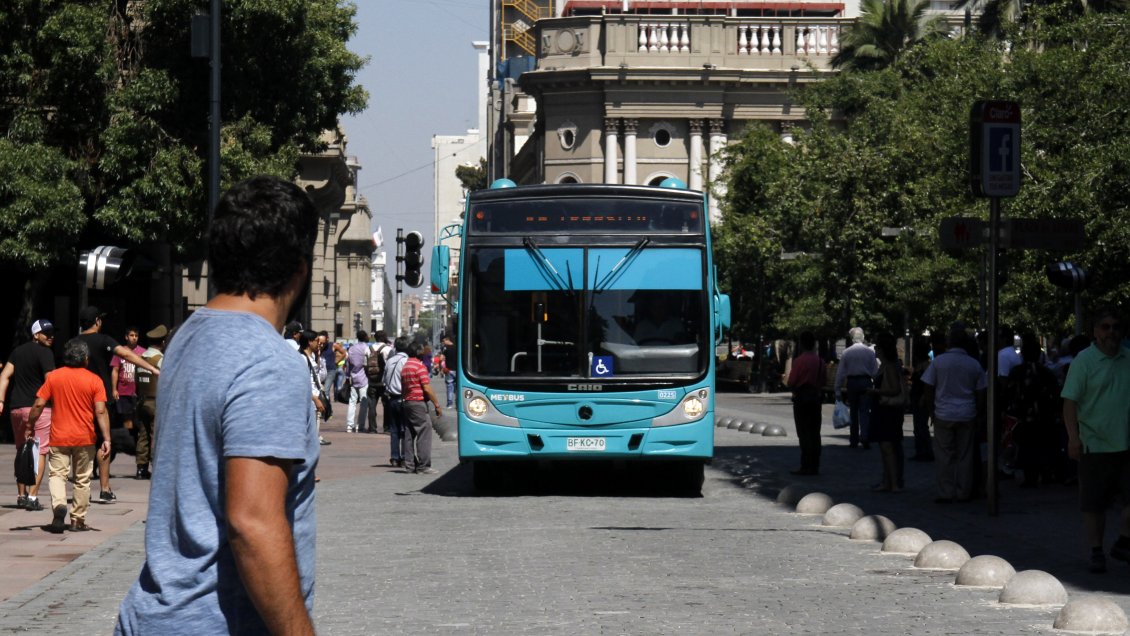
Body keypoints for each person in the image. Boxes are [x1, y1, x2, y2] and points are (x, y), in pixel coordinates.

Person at [116, 175, 319, 634]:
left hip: (155, 613)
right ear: (299, 269)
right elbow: (252, 522)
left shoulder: (190, 335)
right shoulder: (268, 362)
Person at [1061, 307, 1130, 574]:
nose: (1111, 332)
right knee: (1094, 505)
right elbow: (1070, 403)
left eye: (1115, 327)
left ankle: (1124, 541)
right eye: (1105, 327)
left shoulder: (1128, 358)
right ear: (1095, 332)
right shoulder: (1084, 361)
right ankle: (1096, 550)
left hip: (1127, 443)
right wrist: (1073, 438)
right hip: (1094, 444)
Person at [25, 338, 111, 532]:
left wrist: (30, 425)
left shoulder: (54, 377)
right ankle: (77, 520)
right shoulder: (94, 380)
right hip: (85, 438)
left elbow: (38, 404)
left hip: (59, 436)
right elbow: (100, 411)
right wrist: (107, 438)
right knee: (82, 478)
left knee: (57, 475)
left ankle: (59, 505)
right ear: (86, 359)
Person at [76, 306, 160, 503]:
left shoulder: (74, 342)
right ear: (97, 321)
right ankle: (105, 489)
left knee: (82, 443)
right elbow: (127, 355)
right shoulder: (104, 340)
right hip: (100, 399)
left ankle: (82, 487)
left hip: (79, 399)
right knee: (104, 442)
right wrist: (151, 368)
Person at [921, 330, 987, 504]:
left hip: (943, 412)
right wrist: (978, 411)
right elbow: (981, 391)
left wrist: (931, 410)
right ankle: (963, 491)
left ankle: (946, 492)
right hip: (967, 412)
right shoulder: (973, 364)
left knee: (944, 454)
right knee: (965, 455)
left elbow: (928, 387)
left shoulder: (939, 362)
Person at [0, 319, 56, 510]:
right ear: (36, 335)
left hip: (16, 408)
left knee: (21, 449)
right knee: (40, 451)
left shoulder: (17, 352)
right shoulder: (46, 353)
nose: (51, 337)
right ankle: (32, 497)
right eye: (46, 333)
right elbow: (51, 381)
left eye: (52, 333)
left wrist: (0, 400)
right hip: (39, 408)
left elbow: (5, 375)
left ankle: (21, 495)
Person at [1004, 332, 1062, 488]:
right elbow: (1055, 394)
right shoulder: (1046, 372)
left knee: (1026, 446)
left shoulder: (1017, 372)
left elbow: (1009, 392)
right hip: (1043, 415)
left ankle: (1031, 476)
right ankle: (1044, 473)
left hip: (1024, 416)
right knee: (1042, 445)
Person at [869, 333, 907, 492]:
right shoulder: (886, 365)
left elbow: (894, 389)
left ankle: (893, 483)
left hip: (888, 410)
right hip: (885, 410)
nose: (875, 349)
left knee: (888, 447)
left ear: (883, 349)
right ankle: (889, 480)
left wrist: (874, 391)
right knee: (889, 447)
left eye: (877, 347)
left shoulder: (889, 366)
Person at [400, 341, 442, 474]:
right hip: (418, 402)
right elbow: (427, 388)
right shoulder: (419, 366)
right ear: (419, 352)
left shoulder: (406, 366)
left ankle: (409, 465)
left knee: (409, 433)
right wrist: (437, 404)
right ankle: (424, 466)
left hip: (407, 402)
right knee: (424, 432)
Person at [786, 331, 824, 476]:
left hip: (801, 398)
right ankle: (815, 464)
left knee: (804, 432)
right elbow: (823, 380)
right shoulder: (820, 361)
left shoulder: (799, 361)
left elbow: (791, 381)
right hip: (815, 398)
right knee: (815, 432)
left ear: (802, 344)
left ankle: (805, 464)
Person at [834, 327, 879, 449]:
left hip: (852, 383)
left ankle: (853, 440)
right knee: (865, 411)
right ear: (863, 337)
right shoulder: (870, 352)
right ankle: (865, 437)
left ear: (852, 338)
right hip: (865, 382)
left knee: (853, 412)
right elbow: (875, 372)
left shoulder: (846, 352)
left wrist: (837, 389)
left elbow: (841, 373)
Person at [133, 324, 168, 479]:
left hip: (142, 402)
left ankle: (141, 468)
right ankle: (157, 466)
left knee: (143, 435)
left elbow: (136, 381)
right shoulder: (160, 360)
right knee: (156, 436)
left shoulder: (141, 358)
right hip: (156, 403)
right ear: (162, 342)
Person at [110, 326, 144, 448]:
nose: (134, 338)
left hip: (137, 392)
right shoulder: (120, 351)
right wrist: (114, 389)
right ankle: (129, 443)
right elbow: (115, 370)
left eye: (136, 335)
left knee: (137, 417)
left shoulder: (142, 352)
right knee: (126, 418)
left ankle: (136, 440)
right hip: (123, 391)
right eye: (131, 335)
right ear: (126, 337)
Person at [383, 337, 410, 468]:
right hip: (403, 398)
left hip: (391, 399)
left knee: (394, 430)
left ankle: (394, 458)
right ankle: (405, 457)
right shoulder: (407, 361)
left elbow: (385, 380)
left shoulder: (389, 361)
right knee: (405, 429)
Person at [345, 331, 371, 433]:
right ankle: (360, 426)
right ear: (365, 337)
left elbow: (348, 364)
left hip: (353, 378)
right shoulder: (367, 348)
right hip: (364, 378)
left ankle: (349, 425)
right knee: (363, 403)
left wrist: (347, 376)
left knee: (352, 402)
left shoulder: (351, 349)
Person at [366, 331, 392, 434]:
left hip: (372, 382)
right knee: (387, 406)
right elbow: (390, 366)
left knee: (372, 405)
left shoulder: (368, 349)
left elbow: (365, 366)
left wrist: (369, 377)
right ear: (384, 337)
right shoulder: (388, 349)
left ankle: (372, 428)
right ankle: (387, 428)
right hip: (384, 382)